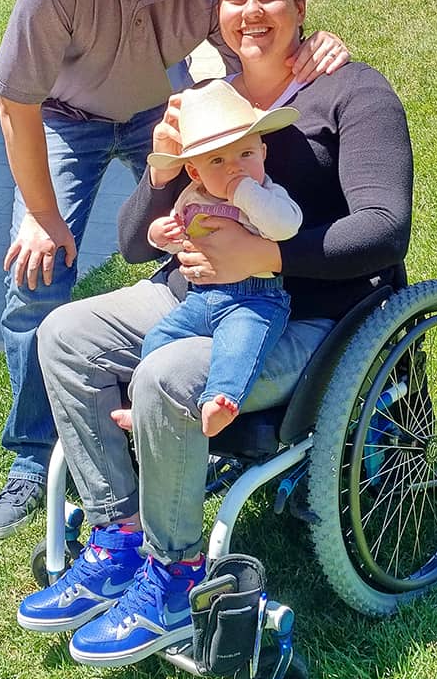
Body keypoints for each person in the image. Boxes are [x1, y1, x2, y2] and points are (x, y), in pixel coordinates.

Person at [15, 0, 413, 669]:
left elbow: (386, 230)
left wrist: (266, 253)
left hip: (302, 313)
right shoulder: (205, 103)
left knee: (169, 377)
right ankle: (118, 534)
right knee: (65, 333)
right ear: (216, 13)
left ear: (300, 5)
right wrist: (166, 162)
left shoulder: (352, 91)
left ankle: (174, 576)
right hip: (192, 294)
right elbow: (136, 243)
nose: (251, 11)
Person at [0, 0, 349, 540]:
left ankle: (170, 371)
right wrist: (39, 212)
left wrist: (320, 41)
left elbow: (258, 18)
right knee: (37, 276)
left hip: (163, 110)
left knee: (185, 236)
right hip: (68, 118)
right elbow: (15, 104)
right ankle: (31, 461)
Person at [110, 78, 302, 438]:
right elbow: (181, 241)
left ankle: (221, 401)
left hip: (256, 298)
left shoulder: (267, 193)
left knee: (240, 345)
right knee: (158, 338)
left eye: (245, 154)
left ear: (263, 153)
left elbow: (285, 227)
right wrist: (160, 235)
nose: (235, 168)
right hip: (200, 298)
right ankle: (141, 408)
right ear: (195, 172)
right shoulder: (193, 197)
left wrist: (245, 192)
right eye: (218, 160)